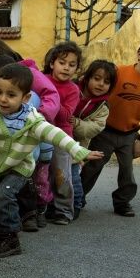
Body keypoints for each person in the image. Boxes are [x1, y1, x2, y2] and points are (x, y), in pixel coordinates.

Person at [0, 64, 104, 259]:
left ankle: (9, 239)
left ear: (25, 98)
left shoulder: (32, 120)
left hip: (19, 167)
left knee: (4, 197)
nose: (3, 99)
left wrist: (79, 151)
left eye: (11, 94)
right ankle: (6, 224)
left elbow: (56, 135)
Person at [0, 39, 60, 231]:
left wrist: (39, 118)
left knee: (26, 178)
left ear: (4, 53)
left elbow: (51, 95)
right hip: (2, 145)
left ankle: (29, 214)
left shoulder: (29, 75)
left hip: (29, 140)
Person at [81, 34, 140, 216]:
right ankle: (77, 197)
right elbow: (94, 87)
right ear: (139, 54)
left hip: (129, 135)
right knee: (93, 167)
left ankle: (122, 202)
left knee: (127, 173)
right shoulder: (118, 72)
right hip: (104, 131)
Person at [69, 59, 117, 219]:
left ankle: (76, 204)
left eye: (106, 81)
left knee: (73, 176)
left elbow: (93, 129)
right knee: (55, 176)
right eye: (97, 78)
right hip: (58, 139)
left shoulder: (103, 107)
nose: (101, 84)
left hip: (77, 146)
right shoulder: (72, 89)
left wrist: (75, 122)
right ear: (88, 77)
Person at [43, 41, 82, 225]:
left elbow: (66, 115)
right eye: (62, 62)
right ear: (52, 63)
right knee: (40, 174)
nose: (66, 68)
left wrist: (50, 100)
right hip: (40, 135)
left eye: (72, 65)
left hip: (61, 137)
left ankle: (64, 211)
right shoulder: (42, 80)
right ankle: (41, 207)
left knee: (61, 176)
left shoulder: (73, 90)